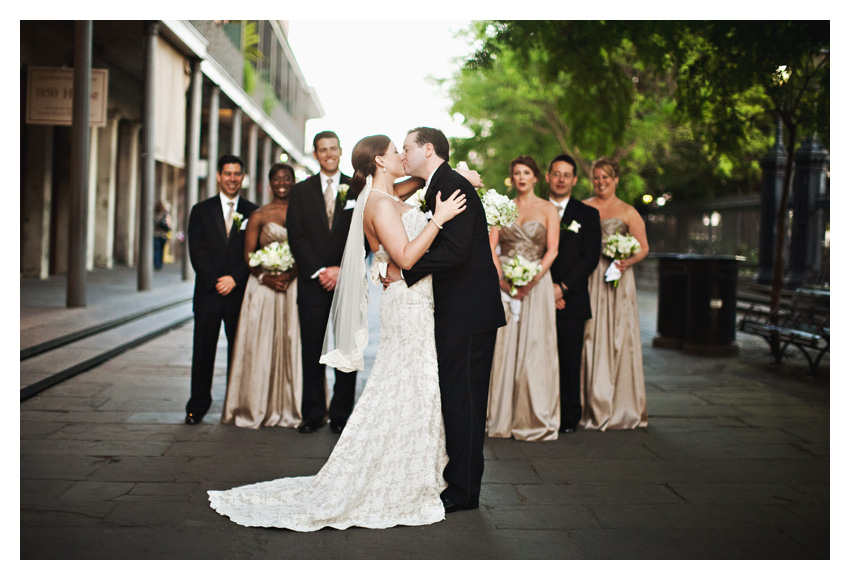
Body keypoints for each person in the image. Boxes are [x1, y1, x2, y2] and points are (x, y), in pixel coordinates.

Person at [208, 134, 467, 530]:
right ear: (379, 161)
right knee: (408, 380)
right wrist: (438, 219)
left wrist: (454, 177)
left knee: (415, 384)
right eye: (395, 152)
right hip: (408, 305)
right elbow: (407, 255)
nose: (402, 155)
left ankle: (413, 466)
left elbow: (414, 189)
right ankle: (394, 472)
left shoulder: (387, 197)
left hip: (415, 301)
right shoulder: (377, 203)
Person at [386, 127, 505, 513]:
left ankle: (464, 491)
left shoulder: (450, 185)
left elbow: (455, 251)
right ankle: (458, 483)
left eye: (406, 148)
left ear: (428, 149)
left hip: (468, 313)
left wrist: (405, 271)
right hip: (459, 311)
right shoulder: (440, 183)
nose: (403, 155)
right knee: (456, 399)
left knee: (465, 402)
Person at [286, 131, 358, 435]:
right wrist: (319, 270)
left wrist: (342, 268)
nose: (328, 154)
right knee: (312, 349)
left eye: (333, 148)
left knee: (346, 349)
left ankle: (341, 414)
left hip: (347, 280)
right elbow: (296, 235)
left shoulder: (356, 188)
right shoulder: (301, 191)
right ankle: (313, 414)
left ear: (340, 151)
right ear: (315, 154)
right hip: (313, 282)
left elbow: (365, 232)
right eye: (322, 150)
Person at [221, 163, 302, 429]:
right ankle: (255, 404)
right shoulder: (258, 215)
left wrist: (290, 274)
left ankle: (292, 406)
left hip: (292, 285)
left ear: (293, 181)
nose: (282, 183)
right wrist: (267, 277)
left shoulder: (303, 213)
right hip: (263, 288)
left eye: (287, 178)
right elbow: (248, 255)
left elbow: (308, 249)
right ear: (270, 183)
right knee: (260, 343)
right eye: (277, 179)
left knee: (292, 342)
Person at [486, 155, 561, 441]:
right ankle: (501, 416)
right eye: (516, 172)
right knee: (503, 349)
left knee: (534, 347)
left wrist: (532, 280)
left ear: (535, 177)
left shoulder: (548, 209)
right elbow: (492, 247)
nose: (521, 177)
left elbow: (552, 250)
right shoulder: (503, 208)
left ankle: (531, 416)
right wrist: (502, 281)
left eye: (526, 172)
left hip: (537, 284)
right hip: (505, 285)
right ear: (512, 177)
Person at [185, 155, 259, 425]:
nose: (232, 179)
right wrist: (217, 280)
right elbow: (197, 250)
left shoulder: (253, 211)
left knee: (238, 353)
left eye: (237, 174)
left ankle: (235, 406)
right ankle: (197, 405)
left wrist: (235, 279)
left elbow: (255, 251)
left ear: (243, 177)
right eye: (227, 174)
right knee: (203, 352)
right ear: (218, 176)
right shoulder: (201, 210)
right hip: (208, 293)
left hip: (239, 295)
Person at [581, 156, 649, 430]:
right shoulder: (584, 208)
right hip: (590, 276)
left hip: (618, 278)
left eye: (605, 178)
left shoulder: (628, 211)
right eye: (596, 178)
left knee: (619, 336)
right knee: (590, 334)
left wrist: (625, 261)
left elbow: (643, 247)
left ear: (615, 180)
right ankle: (591, 403)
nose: (600, 183)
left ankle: (622, 404)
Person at [546, 154, 601, 434]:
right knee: (539, 358)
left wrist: (562, 287)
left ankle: (568, 417)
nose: (561, 179)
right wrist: (545, 289)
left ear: (575, 180)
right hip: (537, 296)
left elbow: (589, 258)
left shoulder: (587, 214)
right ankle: (539, 411)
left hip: (572, 298)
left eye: (567, 175)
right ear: (547, 176)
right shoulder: (537, 209)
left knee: (569, 360)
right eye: (556, 173)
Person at [153, 200, 172, 270]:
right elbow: (169, 224)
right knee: (161, 250)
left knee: (156, 250)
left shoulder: (154, 214)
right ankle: (160, 264)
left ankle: (156, 263)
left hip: (156, 234)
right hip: (163, 235)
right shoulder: (165, 214)